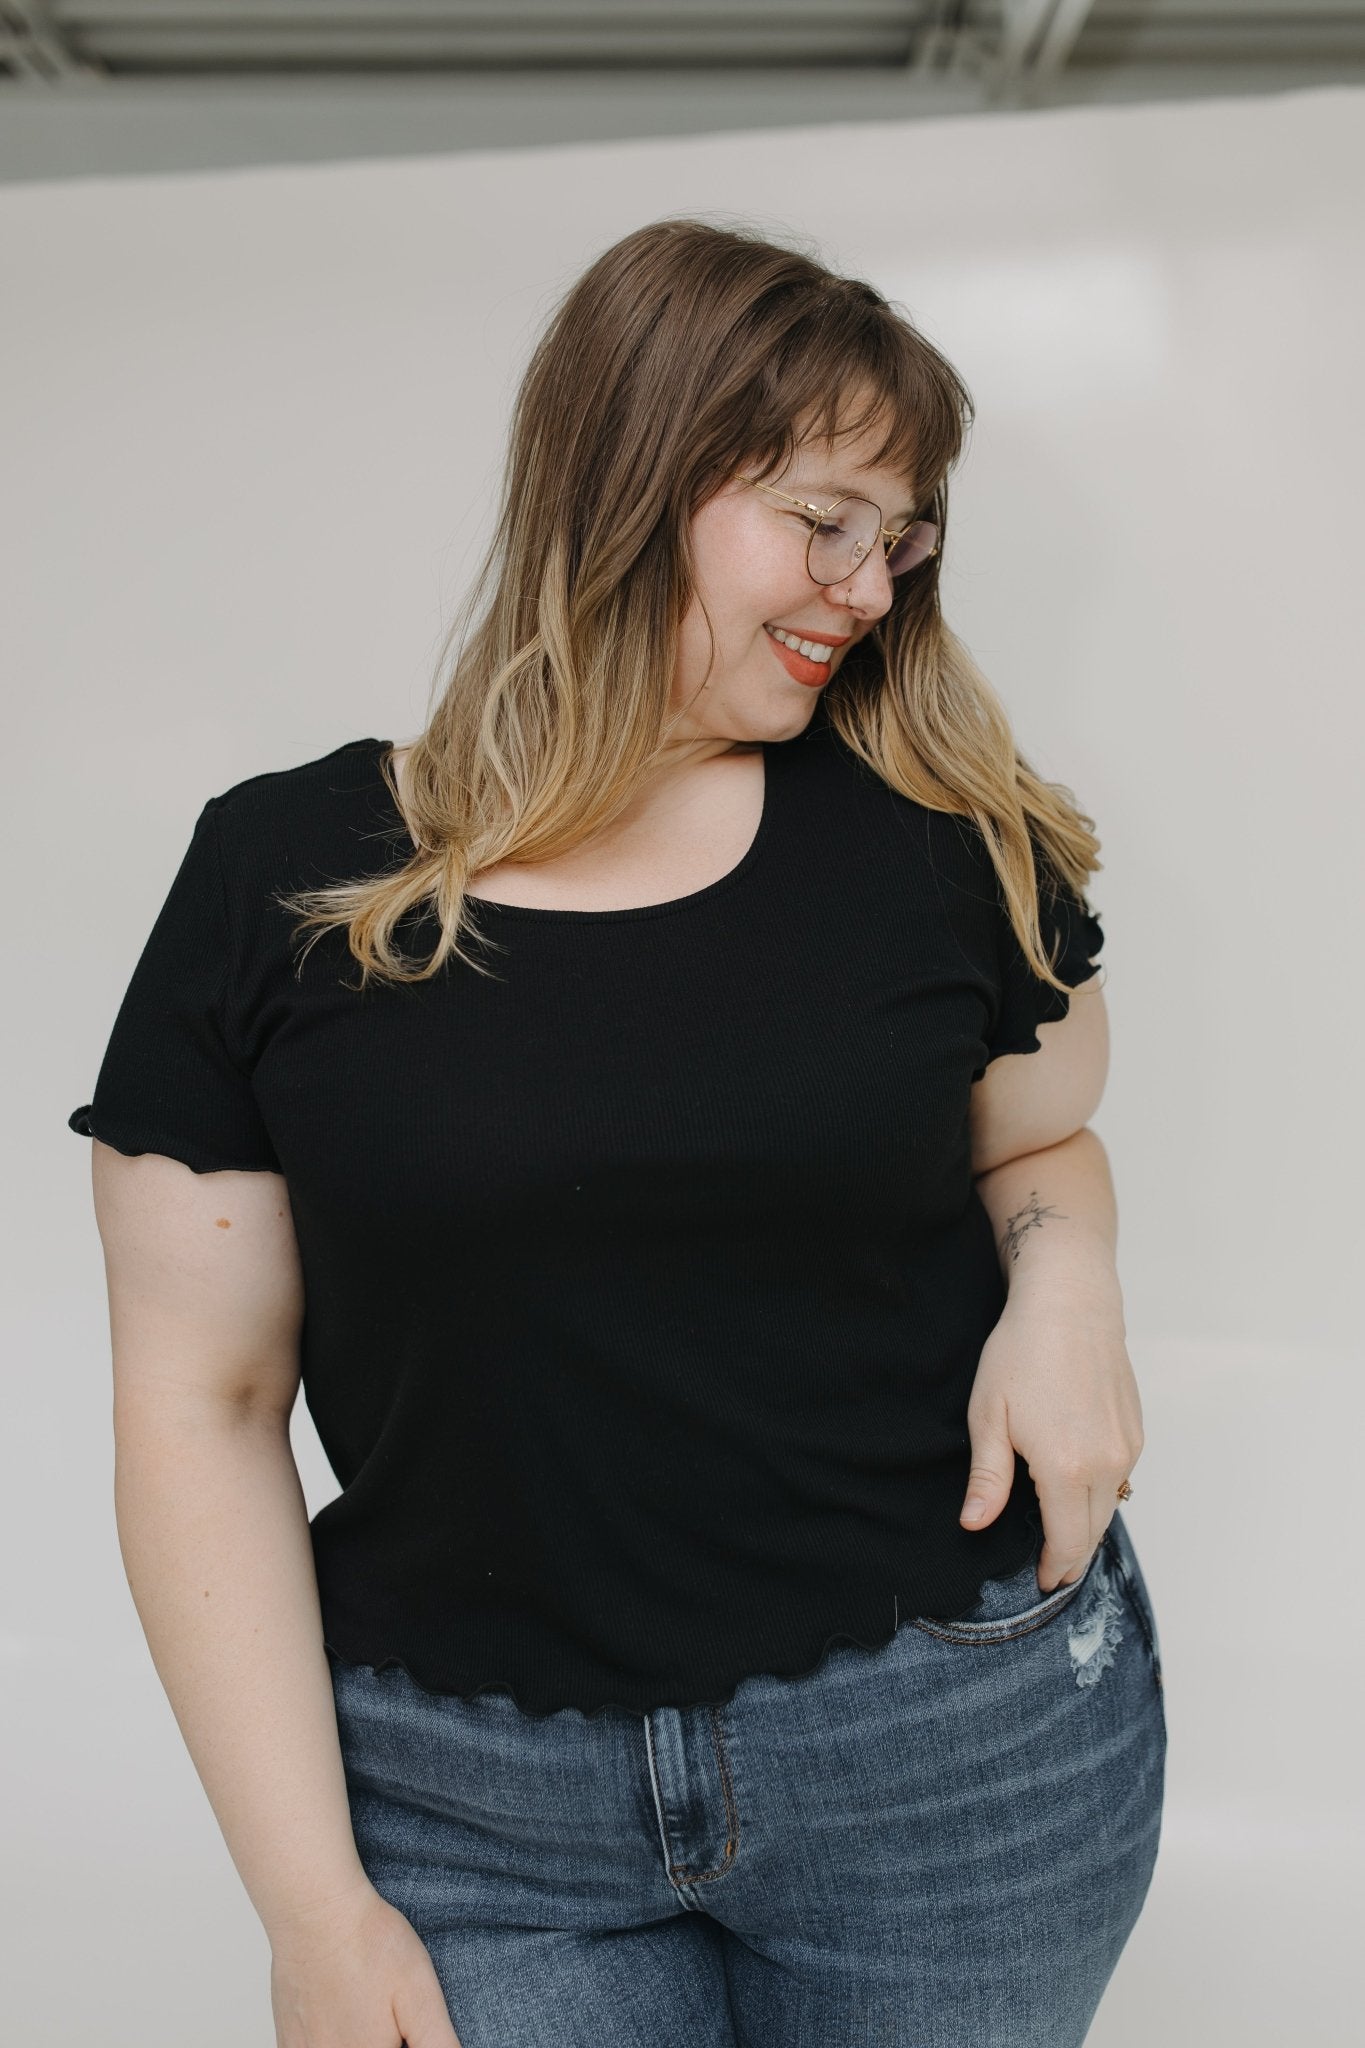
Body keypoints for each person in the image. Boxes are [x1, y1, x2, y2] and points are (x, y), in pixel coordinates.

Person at [70, 216, 1165, 2048]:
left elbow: (1041, 1146)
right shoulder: (286, 878)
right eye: (820, 521)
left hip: (954, 1751)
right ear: (632, 475)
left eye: (900, 537)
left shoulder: (936, 839)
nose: (868, 587)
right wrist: (312, 1913)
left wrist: (1066, 1295)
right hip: (469, 1818)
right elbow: (203, 1403)